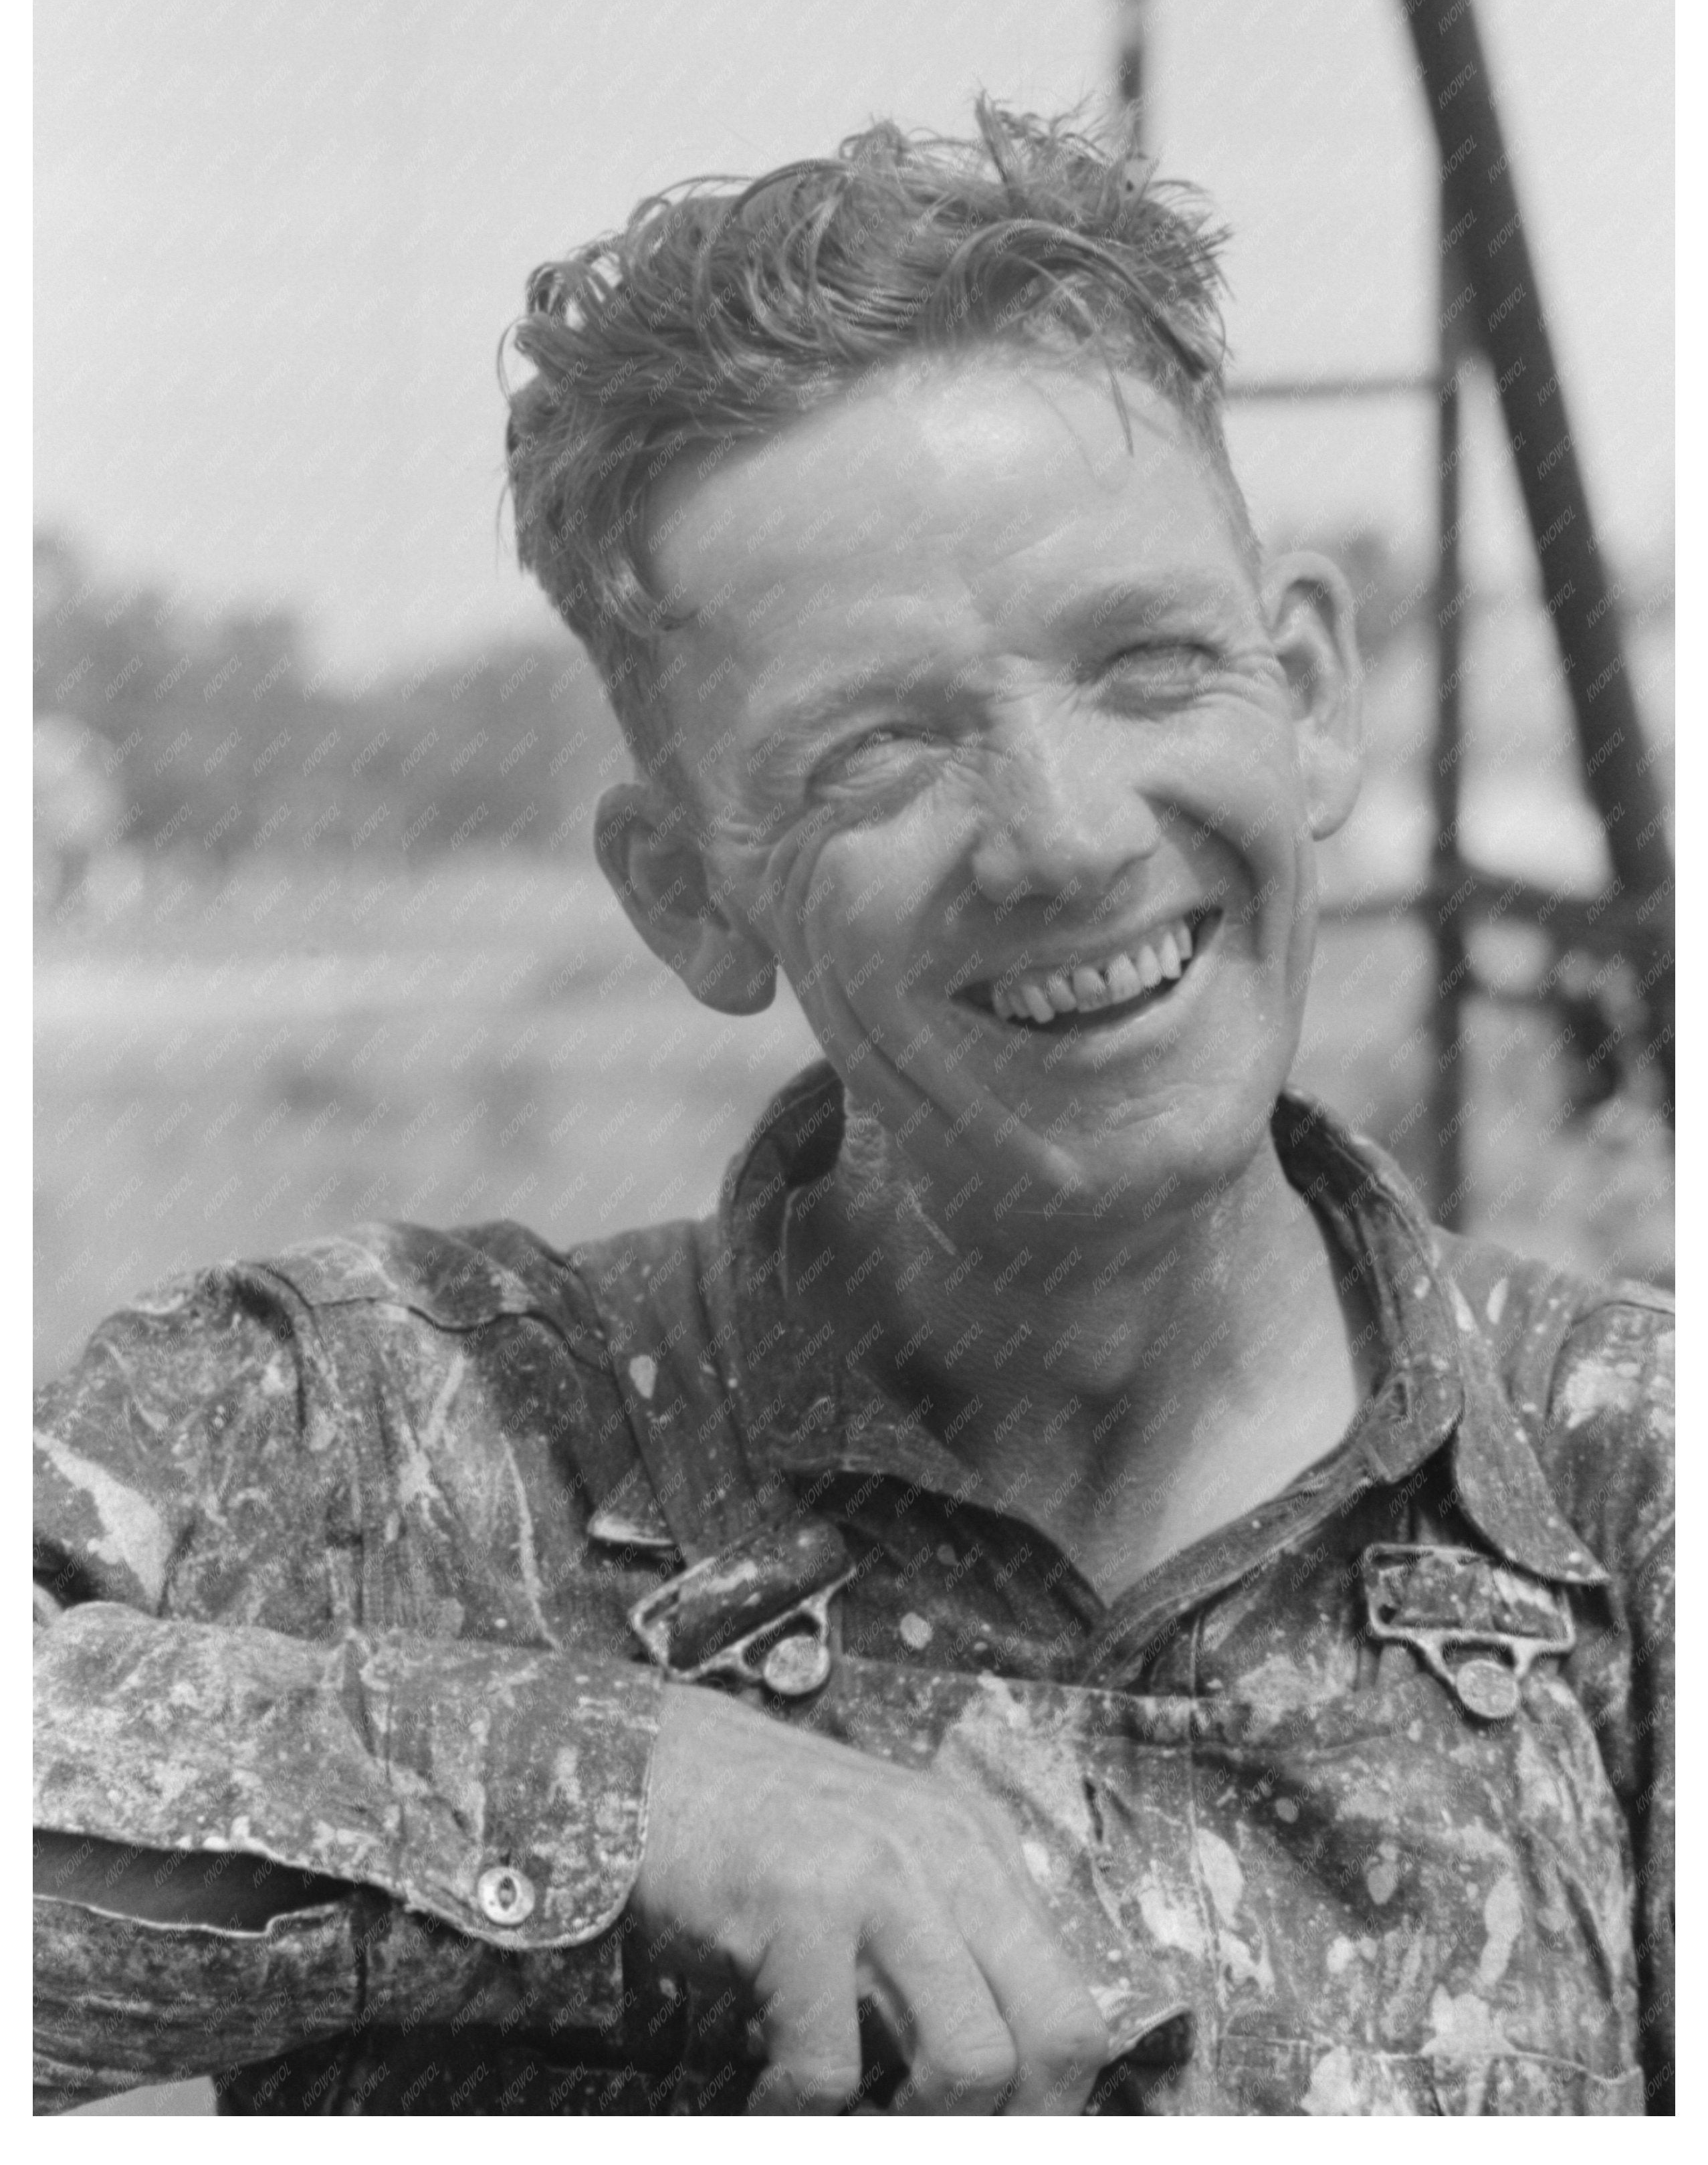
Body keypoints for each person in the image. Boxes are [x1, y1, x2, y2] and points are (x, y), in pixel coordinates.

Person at [33, 107, 1673, 2116]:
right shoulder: (375, 1450)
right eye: (879, 753)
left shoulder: (1632, 1509)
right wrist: (619, 1794)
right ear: (689, 893)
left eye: (1147, 665)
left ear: (1311, 692)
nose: (1065, 841)